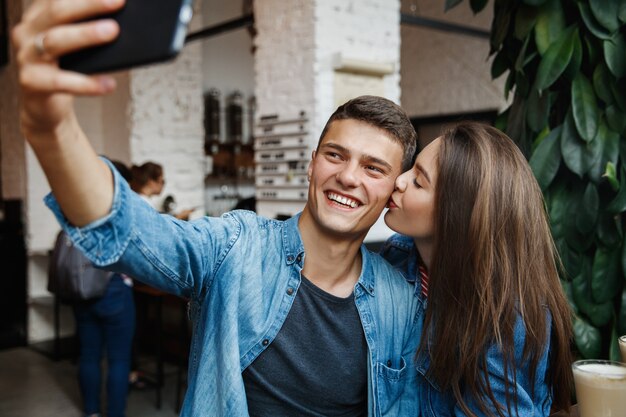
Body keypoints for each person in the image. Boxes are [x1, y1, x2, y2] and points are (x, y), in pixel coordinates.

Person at [11, 2, 421, 416]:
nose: (349, 177)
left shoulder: (399, 301)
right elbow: (131, 232)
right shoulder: (237, 247)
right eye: (336, 155)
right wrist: (51, 129)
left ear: (393, 189)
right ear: (313, 163)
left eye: (373, 168)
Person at [381, 122, 574, 417]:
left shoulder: (505, 316)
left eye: (419, 182)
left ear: (458, 215)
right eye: (412, 169)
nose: (400, 181)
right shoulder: (398, 254)